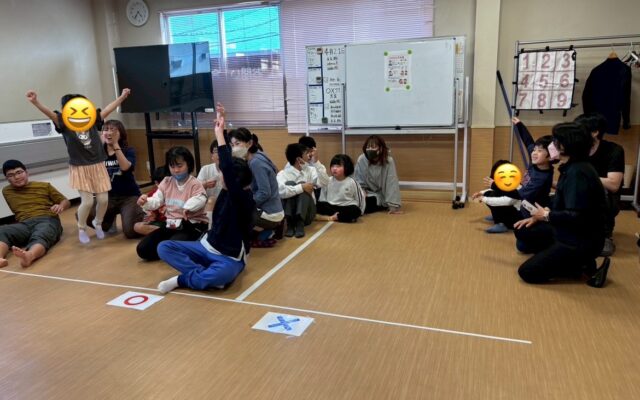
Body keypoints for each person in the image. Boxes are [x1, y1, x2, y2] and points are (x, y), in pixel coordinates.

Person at [156, 115, 255, 293]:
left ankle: (183, 280)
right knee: (164, 247)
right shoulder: (228, 191)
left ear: (234, 180)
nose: (220, 175)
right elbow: (229, 162)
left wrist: (219, 133)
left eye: (224, 173)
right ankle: (201, 275)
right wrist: (223, 131)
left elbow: (227, 167)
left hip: (229, 257)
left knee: (221, 275)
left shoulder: (242, 198)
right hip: (205, 246)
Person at [25, 88, 131, 244]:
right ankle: (81, 228)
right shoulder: (64, 123)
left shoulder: (92, 119)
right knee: (87, 202)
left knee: (103, 200)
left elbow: (108, 109)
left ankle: (98, 223)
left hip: (97, 165)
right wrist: (35, 102)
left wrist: (121, 98)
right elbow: (50, 114)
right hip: (79, 167)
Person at [514, 123, 610, 287]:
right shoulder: (572, 167)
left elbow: (577, 216)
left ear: (565, 146)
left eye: (555, 141)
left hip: (579, 240)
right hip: (569, 230)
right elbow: (565, 203)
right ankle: (573, 261)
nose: (551, 145)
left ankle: (581, 265)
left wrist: (546, 215)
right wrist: (540, 215)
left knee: (527, 272)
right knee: (523, 230)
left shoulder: (577, 173)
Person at [472, 117, 554, 233]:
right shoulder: (537, 161)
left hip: (529, 212)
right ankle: (498, 217)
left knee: (498, 197)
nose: (534, 153)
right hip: (522, 201)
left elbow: (517, 195)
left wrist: (492, 188)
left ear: (551, 156)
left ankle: (503, 222)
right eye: (535, 150)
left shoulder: (540, 179)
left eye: (540, 151)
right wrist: (519, 125)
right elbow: (528, 142)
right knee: (492, 193)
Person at [136, 147, 208, 261]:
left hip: (191, 225)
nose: (176, 170)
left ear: (188, 164)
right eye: (172, 166)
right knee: (143, 249)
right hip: (170, 225)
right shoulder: (166, 181)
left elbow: (201, 199)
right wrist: (145, 202)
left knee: (172, 246)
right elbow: (156, 200)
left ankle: (195, 242)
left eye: (179, 166)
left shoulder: (195, 183)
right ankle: (167, 252)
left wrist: (187, 207)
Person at [80, 120, 145, 238]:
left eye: (113, 130)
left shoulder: (128, 150)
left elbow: (125, 167)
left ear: (121, 134)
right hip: (107, 197)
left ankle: (137, 213)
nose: (109, 132)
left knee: (131, 231)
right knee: (83, 214)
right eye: (106, 130)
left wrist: (115, 145)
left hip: (129, 197)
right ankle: (108, 221)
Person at [0, 160, 70, 268]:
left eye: (19, 172)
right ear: (7, 178)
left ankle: (29, 255)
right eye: (11, 175)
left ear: (27, 173)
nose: (16, 177)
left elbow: (65, 201)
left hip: (47, 219)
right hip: (24, 224)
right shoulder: (6, 191)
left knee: (42, 232)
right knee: (2, 230)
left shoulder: (44, 186)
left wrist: (61, 206)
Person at [575, 113, 624, 256]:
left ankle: (605, 234)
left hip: (605, 198)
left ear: (595, 132)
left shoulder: (614, 150)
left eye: (580, 130)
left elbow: (614, 185)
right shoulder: (576, 149)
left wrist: (586, 175)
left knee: (600, 191)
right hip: (579, 193)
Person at [228, 123, 284, 247]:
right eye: (232, 145)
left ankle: (266, 231)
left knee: (235, 211)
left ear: (249, 143)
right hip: (274, 209)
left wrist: (246, 204)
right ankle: (265, 232)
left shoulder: (255, 162)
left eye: (237, 144)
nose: (234, 148)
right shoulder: (258, 154)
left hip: (270, 212)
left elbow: (265, 192)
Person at [277, 143, 330, 238]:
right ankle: (290, 223)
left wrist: (316, 162)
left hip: (308, 213)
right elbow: (281, 192)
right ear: (299, 159)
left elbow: (325, 182)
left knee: (302, 183)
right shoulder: (283, 174)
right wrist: (301, 187)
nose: (309, 156)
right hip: (289, 214)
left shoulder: (311, 170)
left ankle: (299, 223)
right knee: (291, 184)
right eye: (306, 154)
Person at [354, 135, 402, 214]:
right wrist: (362, 191)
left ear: (380, 149)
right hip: (366, 193)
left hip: (380, 195)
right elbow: (357, 179)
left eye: (373, 147)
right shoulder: (362, 159)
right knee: (351, 201)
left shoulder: (388, 161)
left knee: (364, 205)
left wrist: (393, 206)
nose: (370, 149)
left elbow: (391, 183)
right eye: (368, 147)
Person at [316, 154, 366, 223]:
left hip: (346, 206)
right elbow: (322, 198)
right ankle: (342, 217)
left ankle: (337, 217)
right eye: (333, 166)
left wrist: (360, 212)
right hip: (331, 206)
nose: (334, 168)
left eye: (338, 166)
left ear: (347, 167)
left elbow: (360, 199)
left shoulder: (352, 182)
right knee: (319, 205)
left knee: (355, 210)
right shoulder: (328, 180)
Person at [134, 166, 169, 236]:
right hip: (160, 223)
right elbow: (151, 214)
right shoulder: (152, 194)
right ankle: (164, 233)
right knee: (137, 226)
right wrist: (150, 215)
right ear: (156, 183)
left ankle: (164, 234)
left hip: (173, 222)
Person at [197, 139, 222, 228]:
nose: (220, 154)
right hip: (207, 205)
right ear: (212, 156)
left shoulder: (234, 170)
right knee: (211, 200)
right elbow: (195, 190)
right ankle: (207, 230)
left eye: (223, 151)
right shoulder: (205, 169)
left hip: (225, 205)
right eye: (216, 151)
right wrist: (205, 185)